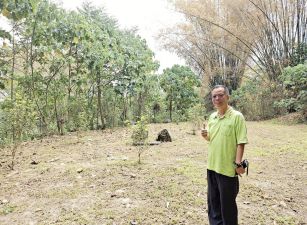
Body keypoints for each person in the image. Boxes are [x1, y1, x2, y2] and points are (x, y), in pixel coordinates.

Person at [201, 85, 248, 225]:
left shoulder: (237, 117)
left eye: (220, 95)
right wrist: (206, 136)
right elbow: (212, 138)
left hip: (227, 170)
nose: (217, 98)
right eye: (214, 96)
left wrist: (238, 164)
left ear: (227, 97)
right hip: (212, 166)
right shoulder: (212, 117)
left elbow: (241, 142)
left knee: (227, 208)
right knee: (213, 204)